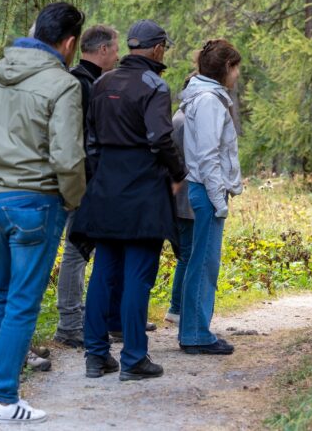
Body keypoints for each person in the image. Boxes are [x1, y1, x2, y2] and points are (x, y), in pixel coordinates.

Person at [0, 2, 85, 424]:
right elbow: (68, 158)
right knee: (22, 300)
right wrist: (71, 199)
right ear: (69, 43)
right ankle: (3, 398)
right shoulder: (63, 84)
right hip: (35, 201)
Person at [70, 19, 186, 381]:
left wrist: (97, 179)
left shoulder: (102, 82)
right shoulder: (155, 85)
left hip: (105, 188)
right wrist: (178, 174)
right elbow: (159, 138)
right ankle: (135, 358)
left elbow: (90, 141)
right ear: (155, 49)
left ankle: (96, 355)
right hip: (143, 189)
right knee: (138, 273)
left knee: (104, 270)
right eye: (163, 47)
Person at [53, 24, 123, 349]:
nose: (119, 54)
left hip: (89, 178)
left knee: (88, 248)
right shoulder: (81, 84)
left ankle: (94, 317)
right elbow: (79, 136)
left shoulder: (91, 81)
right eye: (116, 48)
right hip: (82, 180)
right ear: (104, 49)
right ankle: (69, 323)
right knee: (76, 250)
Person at [178, 39, 242, 355]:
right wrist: (219, 201)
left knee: (201, 262)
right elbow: (208, 156)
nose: (238, 75)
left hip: (205, 190)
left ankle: (194, 330)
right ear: (226, 68)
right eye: (236, 68)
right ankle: (195, 334)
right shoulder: (208, 101)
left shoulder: (209, 98)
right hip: (206, 191)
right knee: (204, 263)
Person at [164, 78, 196, 326]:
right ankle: (177, 307)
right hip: (184, 200)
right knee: (187, 255)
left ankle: (179, 306)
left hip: (181, 199)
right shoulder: (184, 121)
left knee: (185, 254)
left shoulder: (179, 118)